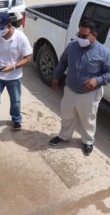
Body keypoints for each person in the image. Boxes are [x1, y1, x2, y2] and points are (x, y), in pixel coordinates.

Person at [49, 20, 110, 156]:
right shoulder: (72, 46)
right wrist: (55, 77)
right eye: (79, 35)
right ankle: (64, 136)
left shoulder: (104, 52)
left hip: (90, 93)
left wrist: (97, 80)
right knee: (66, 115)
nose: (81, 39)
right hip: (70, 89)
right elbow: (63, 62)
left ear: (94, 35)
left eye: (85, 36)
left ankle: (88, 141)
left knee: (88, 119)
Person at [0, 12, 33, 140]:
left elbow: (28, 58)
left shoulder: (20, 37)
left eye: (1, 28)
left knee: (15, 101)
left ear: (9, 25)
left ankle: (16, 119)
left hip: (14, 76)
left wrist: (14, 66)